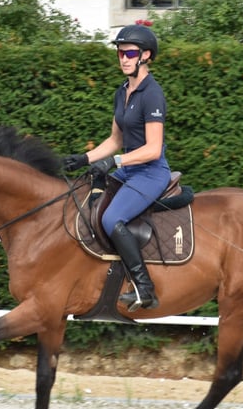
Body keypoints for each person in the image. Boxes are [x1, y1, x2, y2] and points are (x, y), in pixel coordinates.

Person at [63, 24, 171, 312]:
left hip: (150, 172)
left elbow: (153, 148)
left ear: (145, 55)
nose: (123, 58)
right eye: (120, 53)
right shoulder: (122, 91)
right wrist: (84, 159)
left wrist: (116, 161)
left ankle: (144, 287)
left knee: (112, 219)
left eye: (130, 53)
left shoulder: (152, 94)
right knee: (87, 194)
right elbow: (115, 140)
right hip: (129, 169)